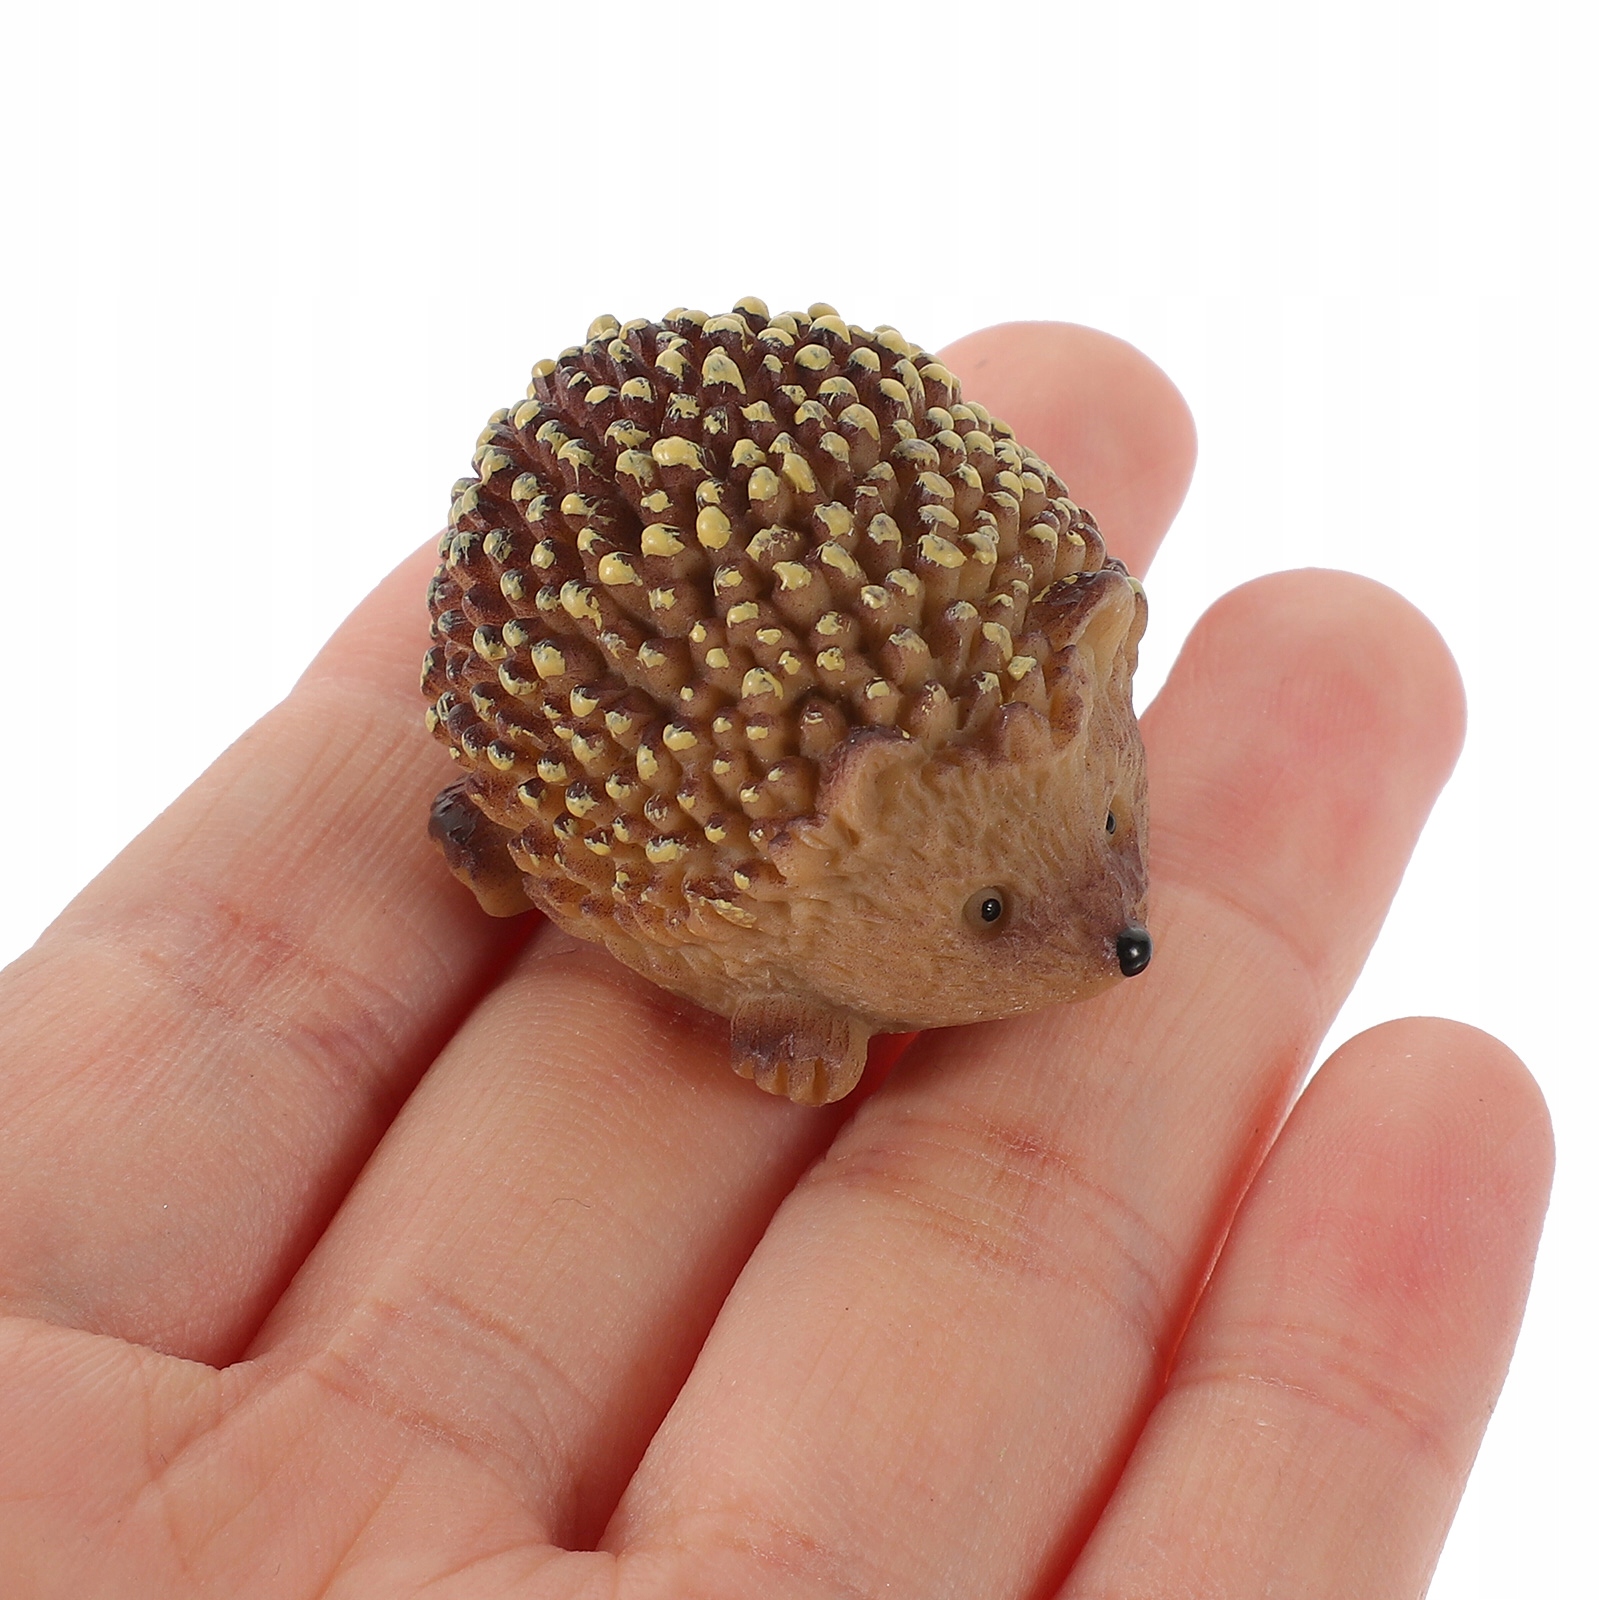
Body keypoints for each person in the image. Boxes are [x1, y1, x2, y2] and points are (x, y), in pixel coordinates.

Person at [0, 323, 1551, 1598]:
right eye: (991, 917)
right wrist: (787, 1000)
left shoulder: (1025, 664)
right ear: (839, 841)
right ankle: (508, 833)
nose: (1116, 935)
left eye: (1109, 824)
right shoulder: (730, 868)